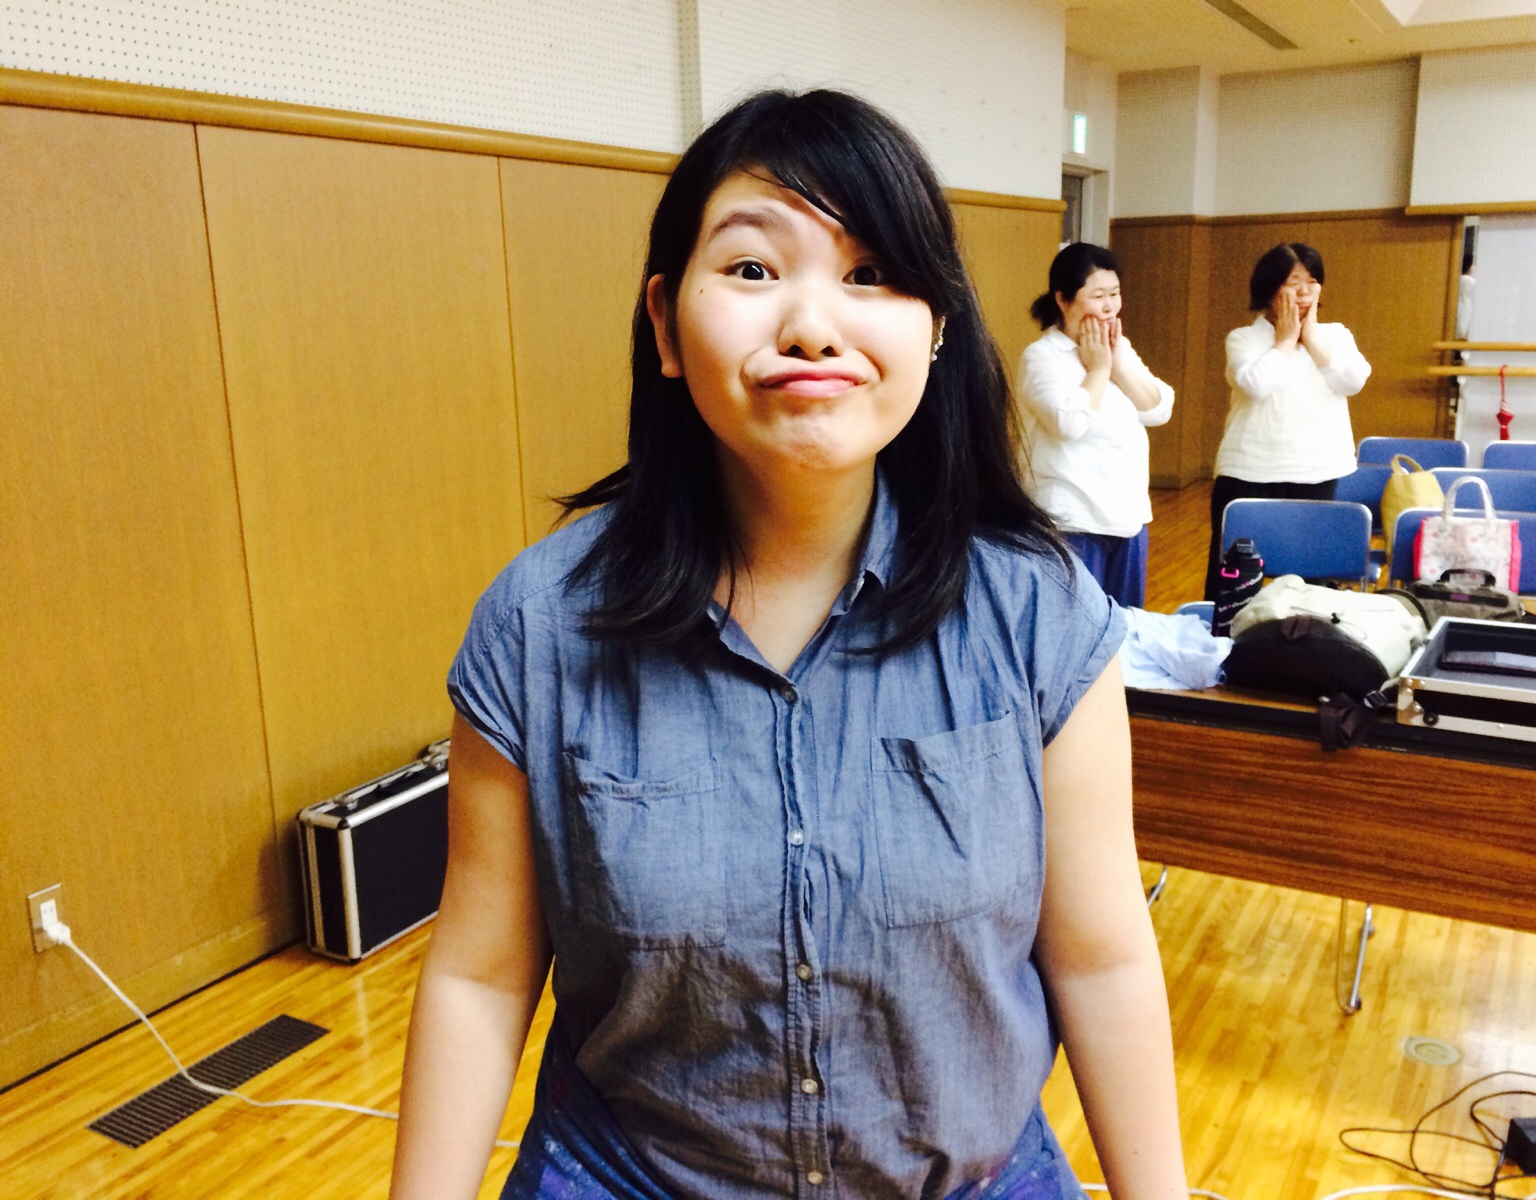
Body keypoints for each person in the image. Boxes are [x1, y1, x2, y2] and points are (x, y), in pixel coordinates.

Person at [390, 89, 1187, 1200]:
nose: (813, 325)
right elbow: (479, 978)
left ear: (937, 326)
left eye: (870, 273)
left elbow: (1100, 960)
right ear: (665, 324)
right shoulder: (540, 624)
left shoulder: (1037, 612)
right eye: (754, 268)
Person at [1204, 242, 1372, 600]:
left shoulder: (1336, 336)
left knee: (1308, 582)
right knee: (1233, 582)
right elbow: (1256, 385)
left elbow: (1353, 381)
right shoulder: (1244, 338)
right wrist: (1284, 341)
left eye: (1312, 282)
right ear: (1270, 289)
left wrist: (1309, 337)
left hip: (1317, 470)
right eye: (1294, 283)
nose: (1304, 292)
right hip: (1249, 471)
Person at [1017, 244, 1175, 608]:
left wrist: (1116, 364)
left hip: (1128, 518)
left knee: (1126, 622)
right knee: (1076, 623)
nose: (1109, 307)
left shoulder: (1119, 347)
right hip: (1071, 521)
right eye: (1098, 296)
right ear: (1063, 299)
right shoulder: (1042, 356)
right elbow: (1068, 423)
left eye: (1114, 294)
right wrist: (1100, 369)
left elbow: (1159, 407)